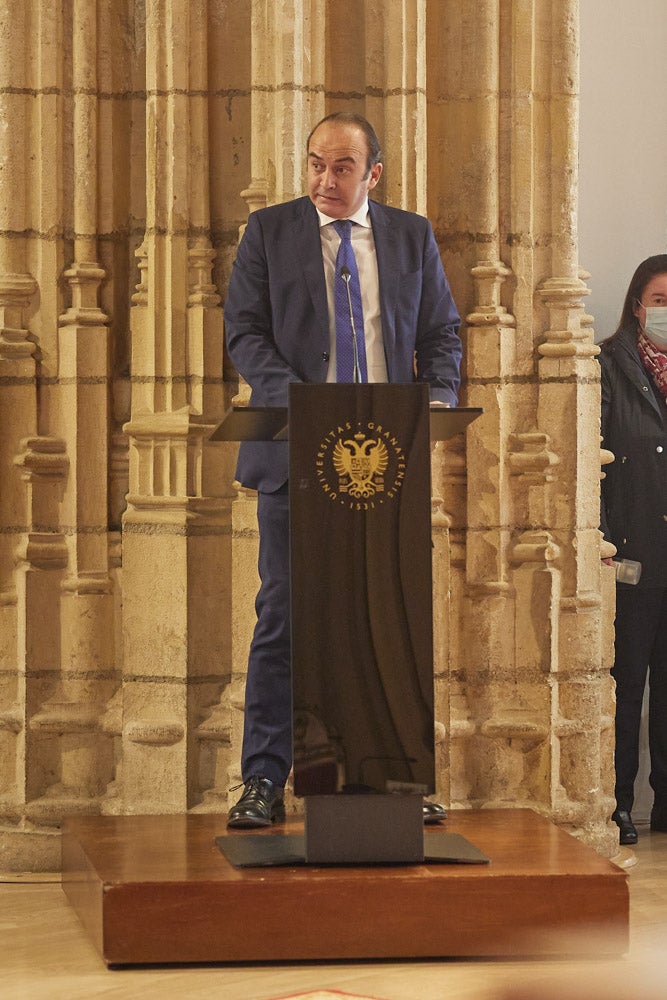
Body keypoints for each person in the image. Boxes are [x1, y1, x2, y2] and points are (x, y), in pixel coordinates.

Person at [223, 111, 462, 828]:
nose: (325, 180)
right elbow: (244, 331)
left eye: (342, 168)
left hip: (385, 464)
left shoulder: (410, 237)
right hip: (296, 457)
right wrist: (298, 402)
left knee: (385, 617)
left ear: (373, 175)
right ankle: (263, 779)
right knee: (284, 617)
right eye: (315, 164)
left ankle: (392, 776)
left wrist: (439, 399)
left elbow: (441, 332)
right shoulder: (268, 232)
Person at [599, 254, 667, 846]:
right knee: (625, 691)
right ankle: (617, 804)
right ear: (637, 304)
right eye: (660, 301)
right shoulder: (608, 366)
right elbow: (588, 466)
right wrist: (600, 541)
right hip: (630, 561)